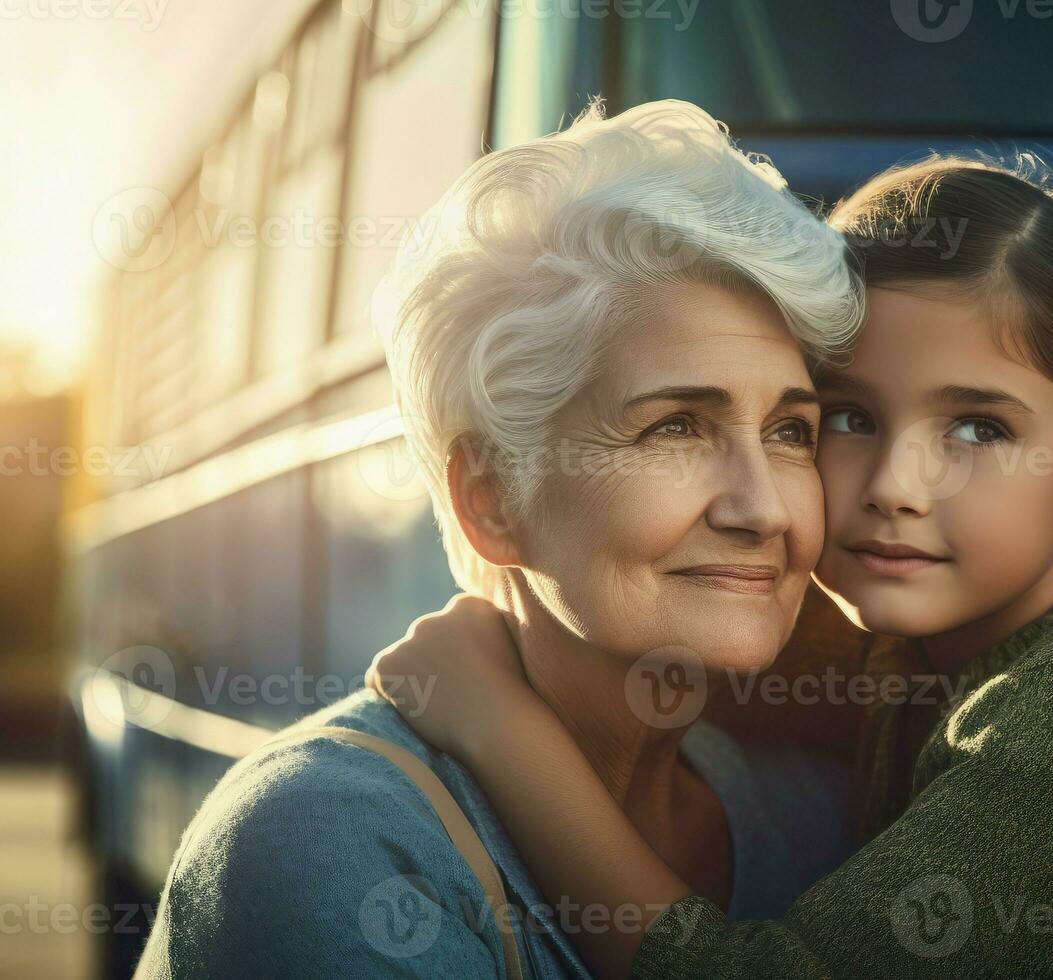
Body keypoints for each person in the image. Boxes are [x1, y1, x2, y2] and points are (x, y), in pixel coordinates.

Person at [370, 156, 1053, 978]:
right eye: (846, 417)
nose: (895, 483)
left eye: (978, 425)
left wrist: (499, 725)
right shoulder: (910, 646)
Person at [135, 99, 866, 978]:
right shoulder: (328, 839)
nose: (767, 509)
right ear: (492, 500)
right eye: (675, 427)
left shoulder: (819, 820)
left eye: (791, 433)